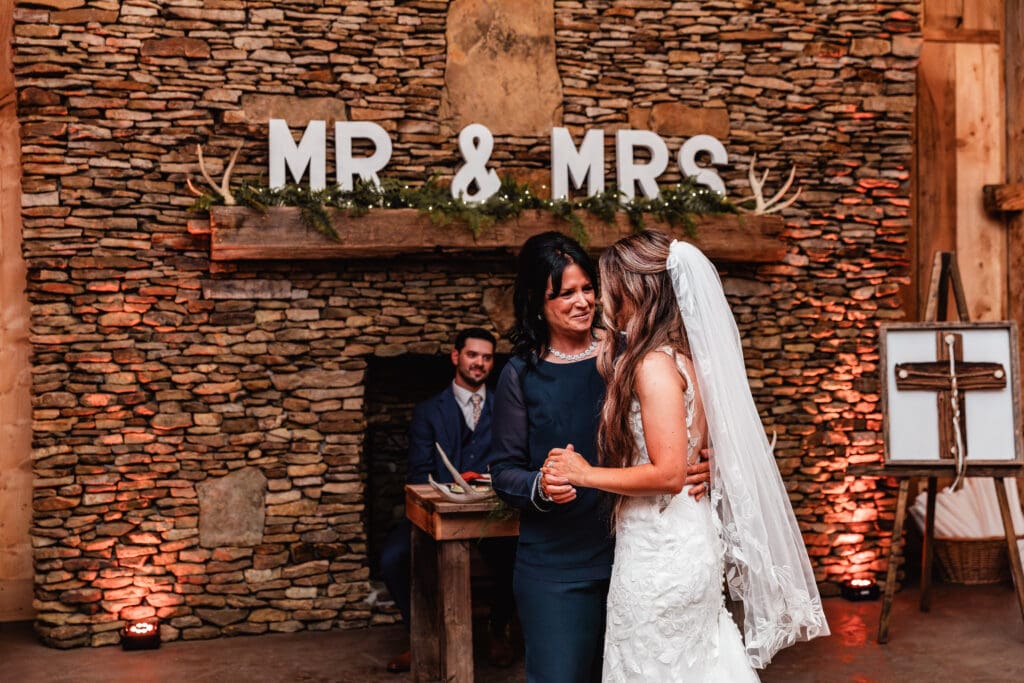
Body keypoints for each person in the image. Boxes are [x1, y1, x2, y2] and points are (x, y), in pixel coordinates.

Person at [545, 230, 830, 680]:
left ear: (633, 289)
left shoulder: (652, 365)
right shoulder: (683, 358)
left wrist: (584, 473)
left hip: (662, 554)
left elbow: (670, 473)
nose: (601, 298)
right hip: (682, 536)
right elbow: (694, 452)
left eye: (607, 284)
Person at [489, 232, 712, 683]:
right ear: (537, 299)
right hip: (557, 566)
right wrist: (541, 485)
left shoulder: (630, 356)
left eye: (588, 288)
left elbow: (680, 429)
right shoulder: (520, 374)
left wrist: (707, 462)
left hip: (633, 556)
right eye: (565, 293)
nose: (582, 301)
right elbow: (503, 471)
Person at [378, 327, 515, 673]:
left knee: (521, 554)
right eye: (472, 355)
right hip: (435, 512)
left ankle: (498, 630)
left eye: (486, 357)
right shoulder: (428, 411)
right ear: (456, 357)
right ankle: (421, 636)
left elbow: (514, 461)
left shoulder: (507, 406)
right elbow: (417, 473)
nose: (479, 363)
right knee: (393, 557)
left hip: (491, 515)